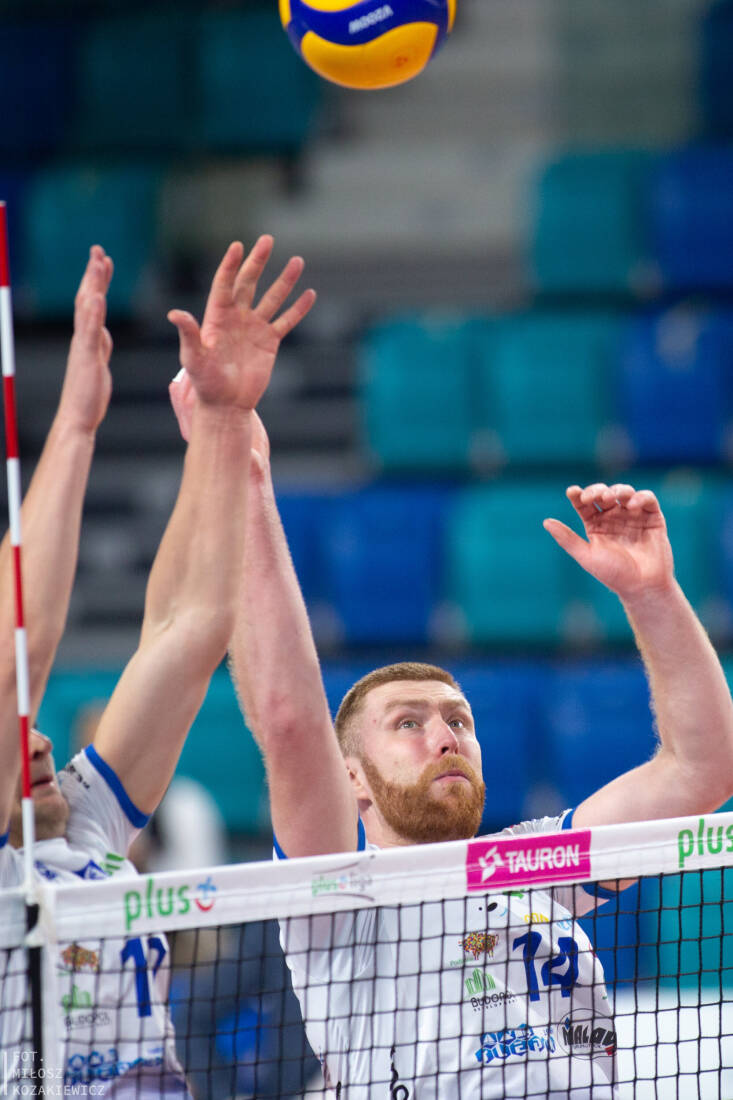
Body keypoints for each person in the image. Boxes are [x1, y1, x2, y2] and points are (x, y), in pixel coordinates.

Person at [169, 408, 733, 1091]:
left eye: (459, 721)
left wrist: (651, 593)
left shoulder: (530, 865)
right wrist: (244, 476)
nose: (444, 738)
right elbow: (288, 723)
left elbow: (700, 770)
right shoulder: (337, 899)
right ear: (353, 778)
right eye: (407, 724)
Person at [1, 235, 315, 1096]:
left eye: (37, 734)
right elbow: (20, 652)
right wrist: (75, 427)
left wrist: (222, 421)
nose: (35, 741)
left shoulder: (89, 824)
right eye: (13, 738)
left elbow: (190, 627)